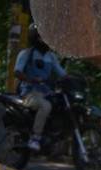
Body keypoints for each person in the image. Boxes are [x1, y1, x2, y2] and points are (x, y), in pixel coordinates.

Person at [14, 24, 67, 152]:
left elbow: (62, 74)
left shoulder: (51, 56)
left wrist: (79, 78)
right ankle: (35, 138)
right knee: (46, 106)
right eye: (45, 36)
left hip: (47, 93)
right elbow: (17, 72)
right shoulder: (26, 53)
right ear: (36, 37)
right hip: (29, 93)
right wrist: (32, 80)